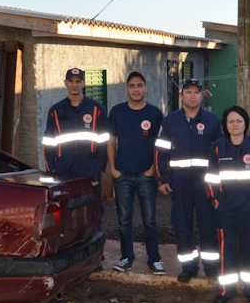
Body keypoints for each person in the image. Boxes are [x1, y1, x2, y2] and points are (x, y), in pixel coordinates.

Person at [154, 78, 222, 282]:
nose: (193, 96)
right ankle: (189, 267)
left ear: (202, 95)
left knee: (208, 225)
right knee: (182, 226)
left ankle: (212, 267)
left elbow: (221, 154)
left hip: (206, 182)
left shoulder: (213, 121)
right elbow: (159, 152)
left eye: (196, 92)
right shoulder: (170, 121)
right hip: (180, 181)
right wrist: (160, 178)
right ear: (181, 95)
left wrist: (220, 183)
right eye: (189, 92)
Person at [205, 106, 250, 303]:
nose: (235, 124)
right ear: (225, 125)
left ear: (245, 124)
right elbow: (211, 177)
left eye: (239, 121)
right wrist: (216, 202)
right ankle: (226, 290)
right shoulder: (217, 147)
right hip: (225, 209)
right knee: (226, 250)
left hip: (249, 208)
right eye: (231, 121)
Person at [107, 71, 164, 274]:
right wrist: (113, 168)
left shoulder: (155, 113)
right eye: (132, 86)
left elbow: (160, 145)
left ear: (146, 88)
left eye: (140, 85)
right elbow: (111, 141)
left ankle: (154, 259)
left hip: (146, 175)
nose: (136, 89)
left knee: (150, 220)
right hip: (122, 175)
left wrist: (152, 170)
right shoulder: (117, 111)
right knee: (124, 220)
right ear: (127, 89)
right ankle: (126, 257)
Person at [41, 67, 108, 239]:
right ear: (65, 83)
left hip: (89, 169)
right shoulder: (55, 111)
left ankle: (94, 247)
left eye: (78, 81)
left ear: (84, 83)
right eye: (71, 81)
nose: (74, 85)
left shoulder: (97, 109)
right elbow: (48, 142)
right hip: (64, 169)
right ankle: (68, 246)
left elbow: (104, 140)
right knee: (65, 210)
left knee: (93, 209)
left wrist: (100, 166)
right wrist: (52, 168)